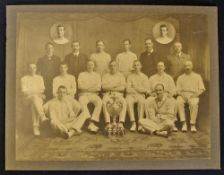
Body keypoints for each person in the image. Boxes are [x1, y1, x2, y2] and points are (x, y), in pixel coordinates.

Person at [176, 61, 205, 132]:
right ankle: (184, 123)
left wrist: (195, 95)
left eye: (189, 66)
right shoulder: (180, 77)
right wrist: (183, 95)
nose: (187, 67)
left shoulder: (197, 76)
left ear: (192, 67)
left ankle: (192, 124)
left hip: (193, 95)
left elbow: (202, 89)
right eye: (186, 66)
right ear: (184, 68)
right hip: (182, 95)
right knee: (178, 102)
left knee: (194, 104)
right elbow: (177, 90)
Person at [21, 64, 48, 136]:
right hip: (27, 99)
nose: (32, 69)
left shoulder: (40, 78)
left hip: (38, 99)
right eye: (31, 68)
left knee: (34, 104)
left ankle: (35, 128)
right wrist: (37, 93)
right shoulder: (24, 79)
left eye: (34, 68)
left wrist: (34, 92)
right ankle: (42, 116)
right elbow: (25, 92)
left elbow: (42, 89)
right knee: (34, 98)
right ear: (28, 69)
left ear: (36, 69)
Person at [78, 60, 102, 133]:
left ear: (94, 66)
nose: (90, 66)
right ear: (86, 66)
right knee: (82, 102)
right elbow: (80, 86)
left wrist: (87, 88)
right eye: (88, 65)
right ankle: (89, 122)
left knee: (99, 102)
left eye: (91, 65)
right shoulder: (81, 74)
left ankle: (93, 121)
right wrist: (92, 87)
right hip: (83, 94)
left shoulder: (97, 75)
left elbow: (98, 88)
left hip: (94, 94)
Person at [102, 61, 126, 132]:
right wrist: (115, 86)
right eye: (111, 66)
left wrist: (110, 87)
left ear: (117, 67)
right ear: (109, 67)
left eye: (114, 66)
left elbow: (122, 88)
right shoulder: (105, 76)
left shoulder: (121, 76)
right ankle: (108, 122)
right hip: (108, 94)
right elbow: (103, 87)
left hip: (118, 93)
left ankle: (121, 122)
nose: (113, 67)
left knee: (124, 102)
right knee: (104, 102)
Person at [126, 60, 148, 132]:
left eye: (138, 65)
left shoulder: (144, 76)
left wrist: (135, 88)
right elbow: (128, 89)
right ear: (133, 67)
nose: (136, 67)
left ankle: (140, 123)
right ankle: (133, 123)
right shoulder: (130, 76)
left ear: (141, 66)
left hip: (140, 95)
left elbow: (145, 89)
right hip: (131, 95)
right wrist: (137, 90)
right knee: (128, 101)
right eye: (135, 65)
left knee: (142, 102)